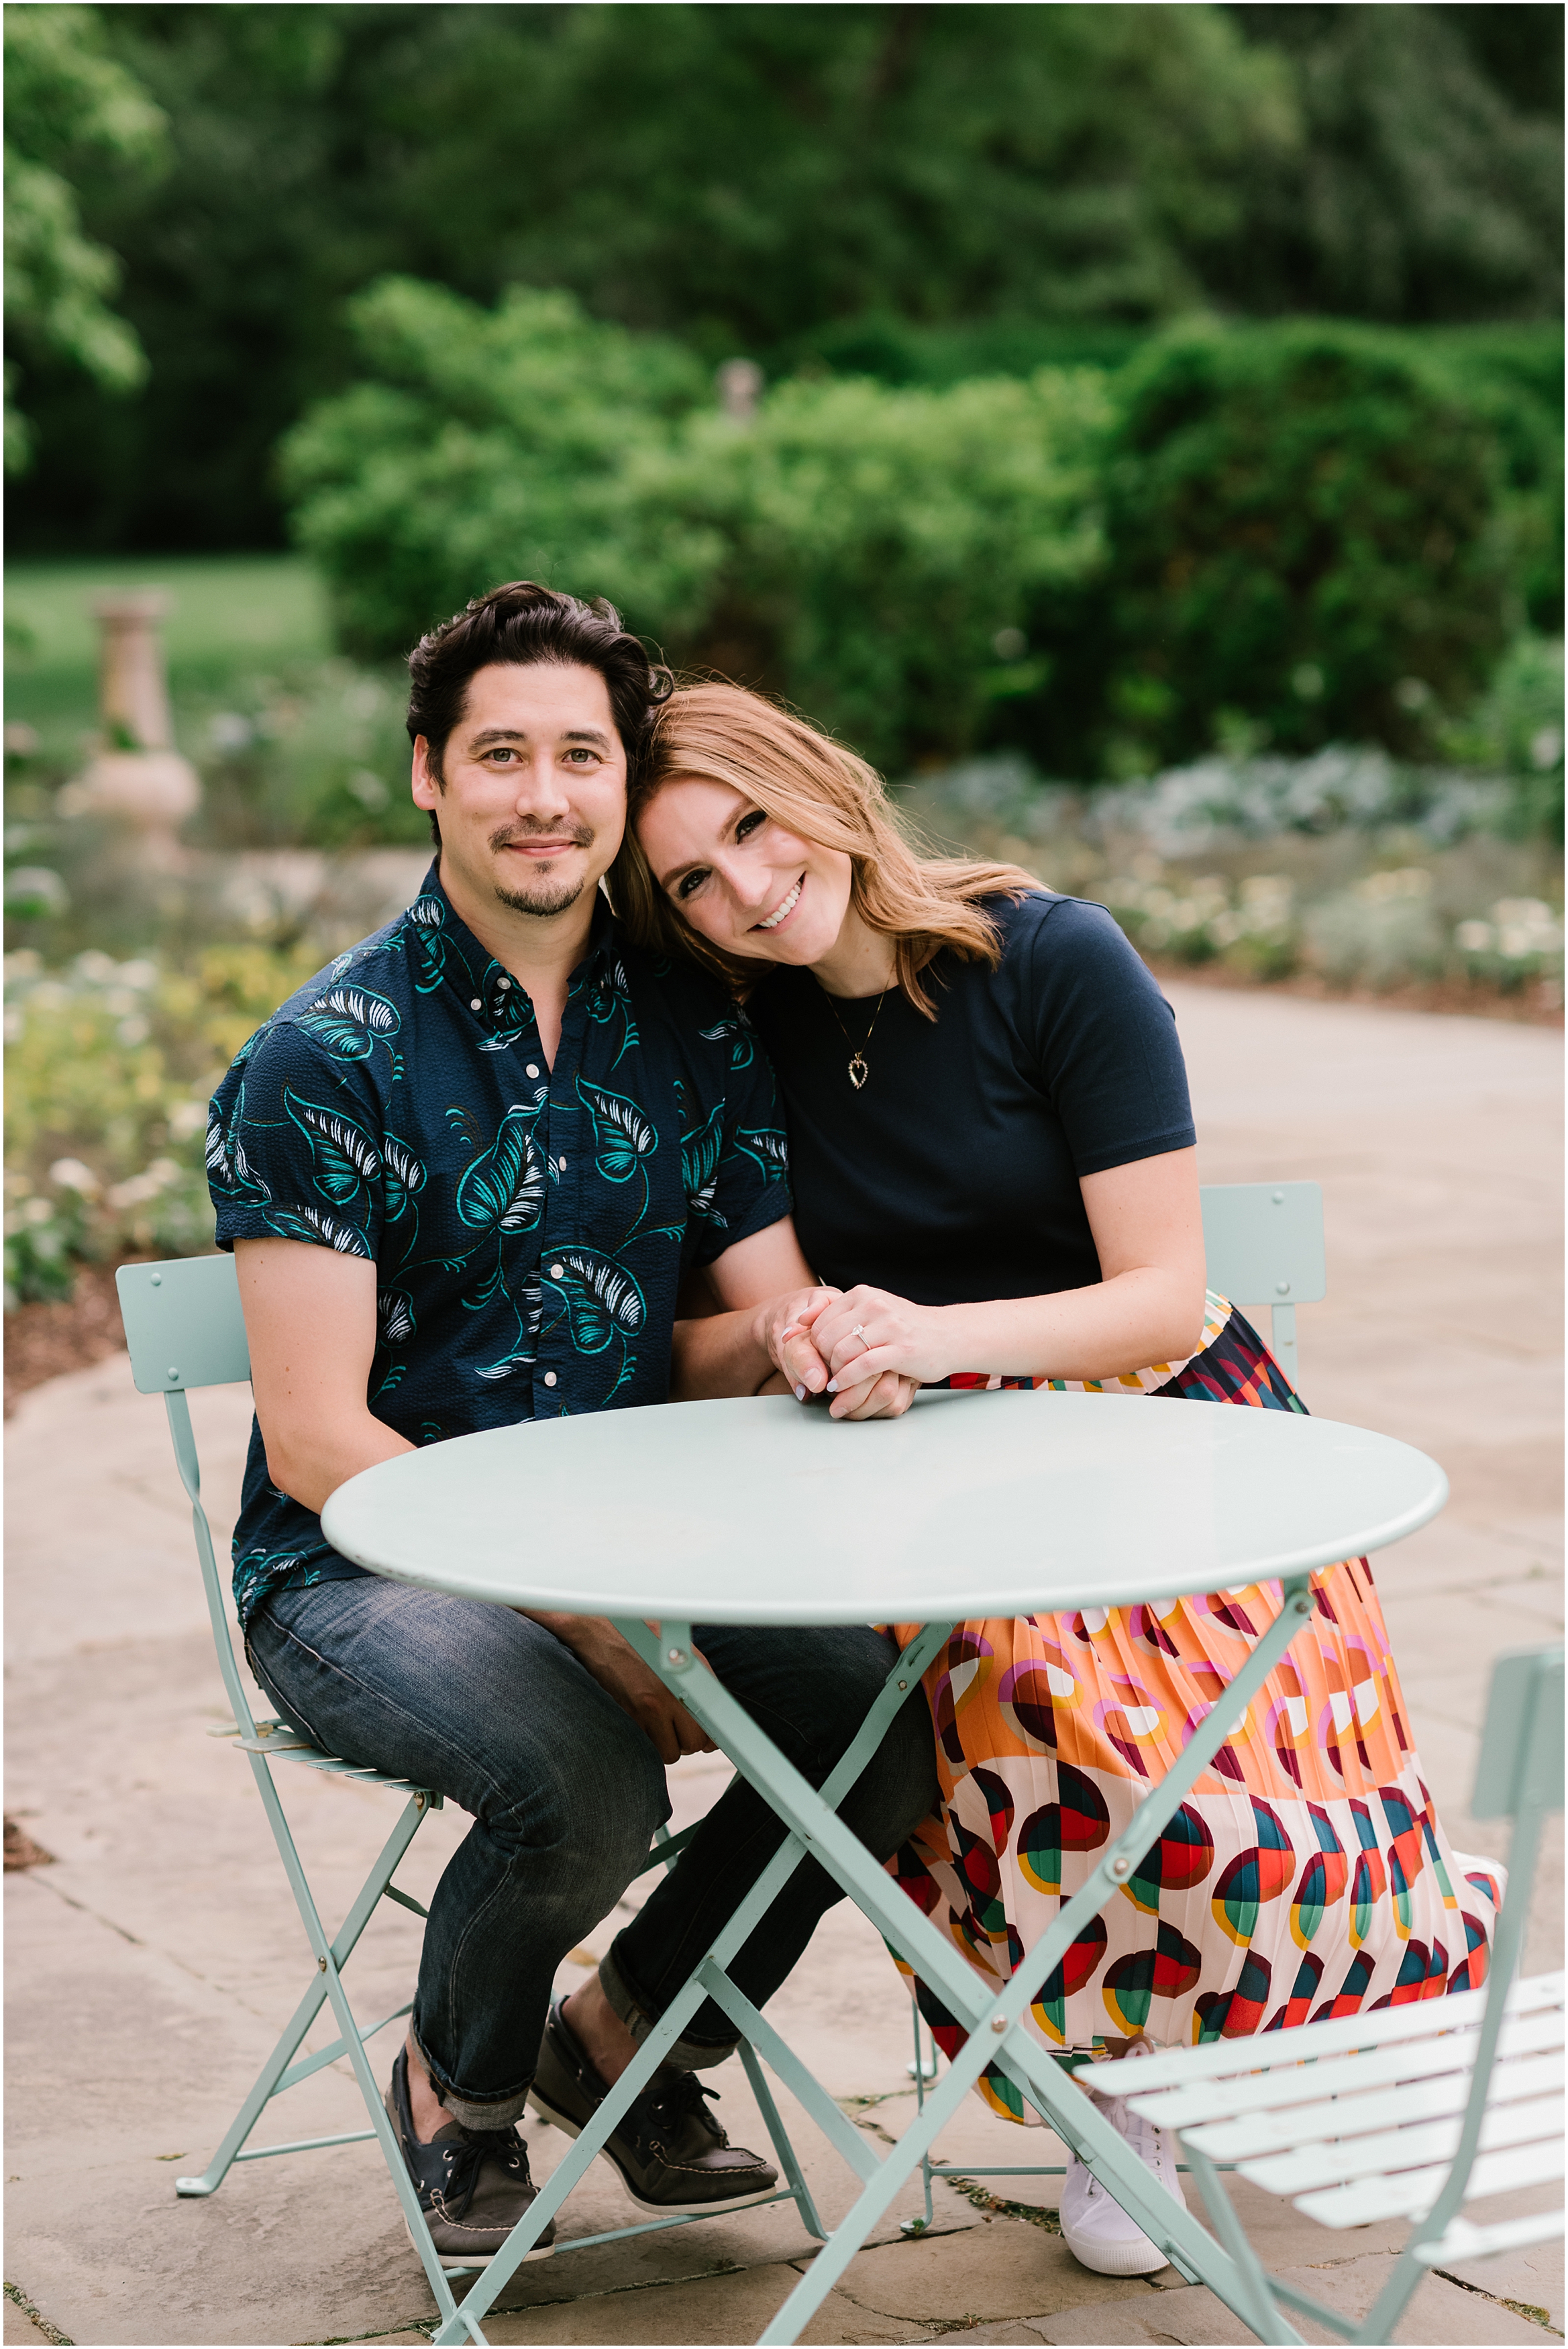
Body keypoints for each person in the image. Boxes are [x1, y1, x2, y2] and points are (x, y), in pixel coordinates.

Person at [613, 680, 1503, 2281]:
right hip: (934, 1469)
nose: (744, 885)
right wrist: (821, 1341)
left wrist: (937, 1335)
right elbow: (776, 1293)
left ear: (820, 778)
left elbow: (1161, 1289)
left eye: (750, 824)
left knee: (1207, 1753)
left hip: (1177, 1425)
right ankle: (1110, 2091)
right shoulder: (742, 1038)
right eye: (690, 877)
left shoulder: (1048, 959)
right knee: (1007, 1689)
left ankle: (1403, 1915)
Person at [207, 585, 936, 2270]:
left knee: (880, 1734)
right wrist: (592, 1620)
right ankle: (456, 2095)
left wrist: (802, 1334)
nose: (545, 795)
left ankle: (622, 2034)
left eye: (579, 756)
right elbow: (319, 1442)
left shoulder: (690, 1024)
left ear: (618, 782)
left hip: (631, 1543)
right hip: (354, 1569)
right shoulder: (324, 1059)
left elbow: (745, 1319)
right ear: (428, 777)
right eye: (502, 754)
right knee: (585, 1779)